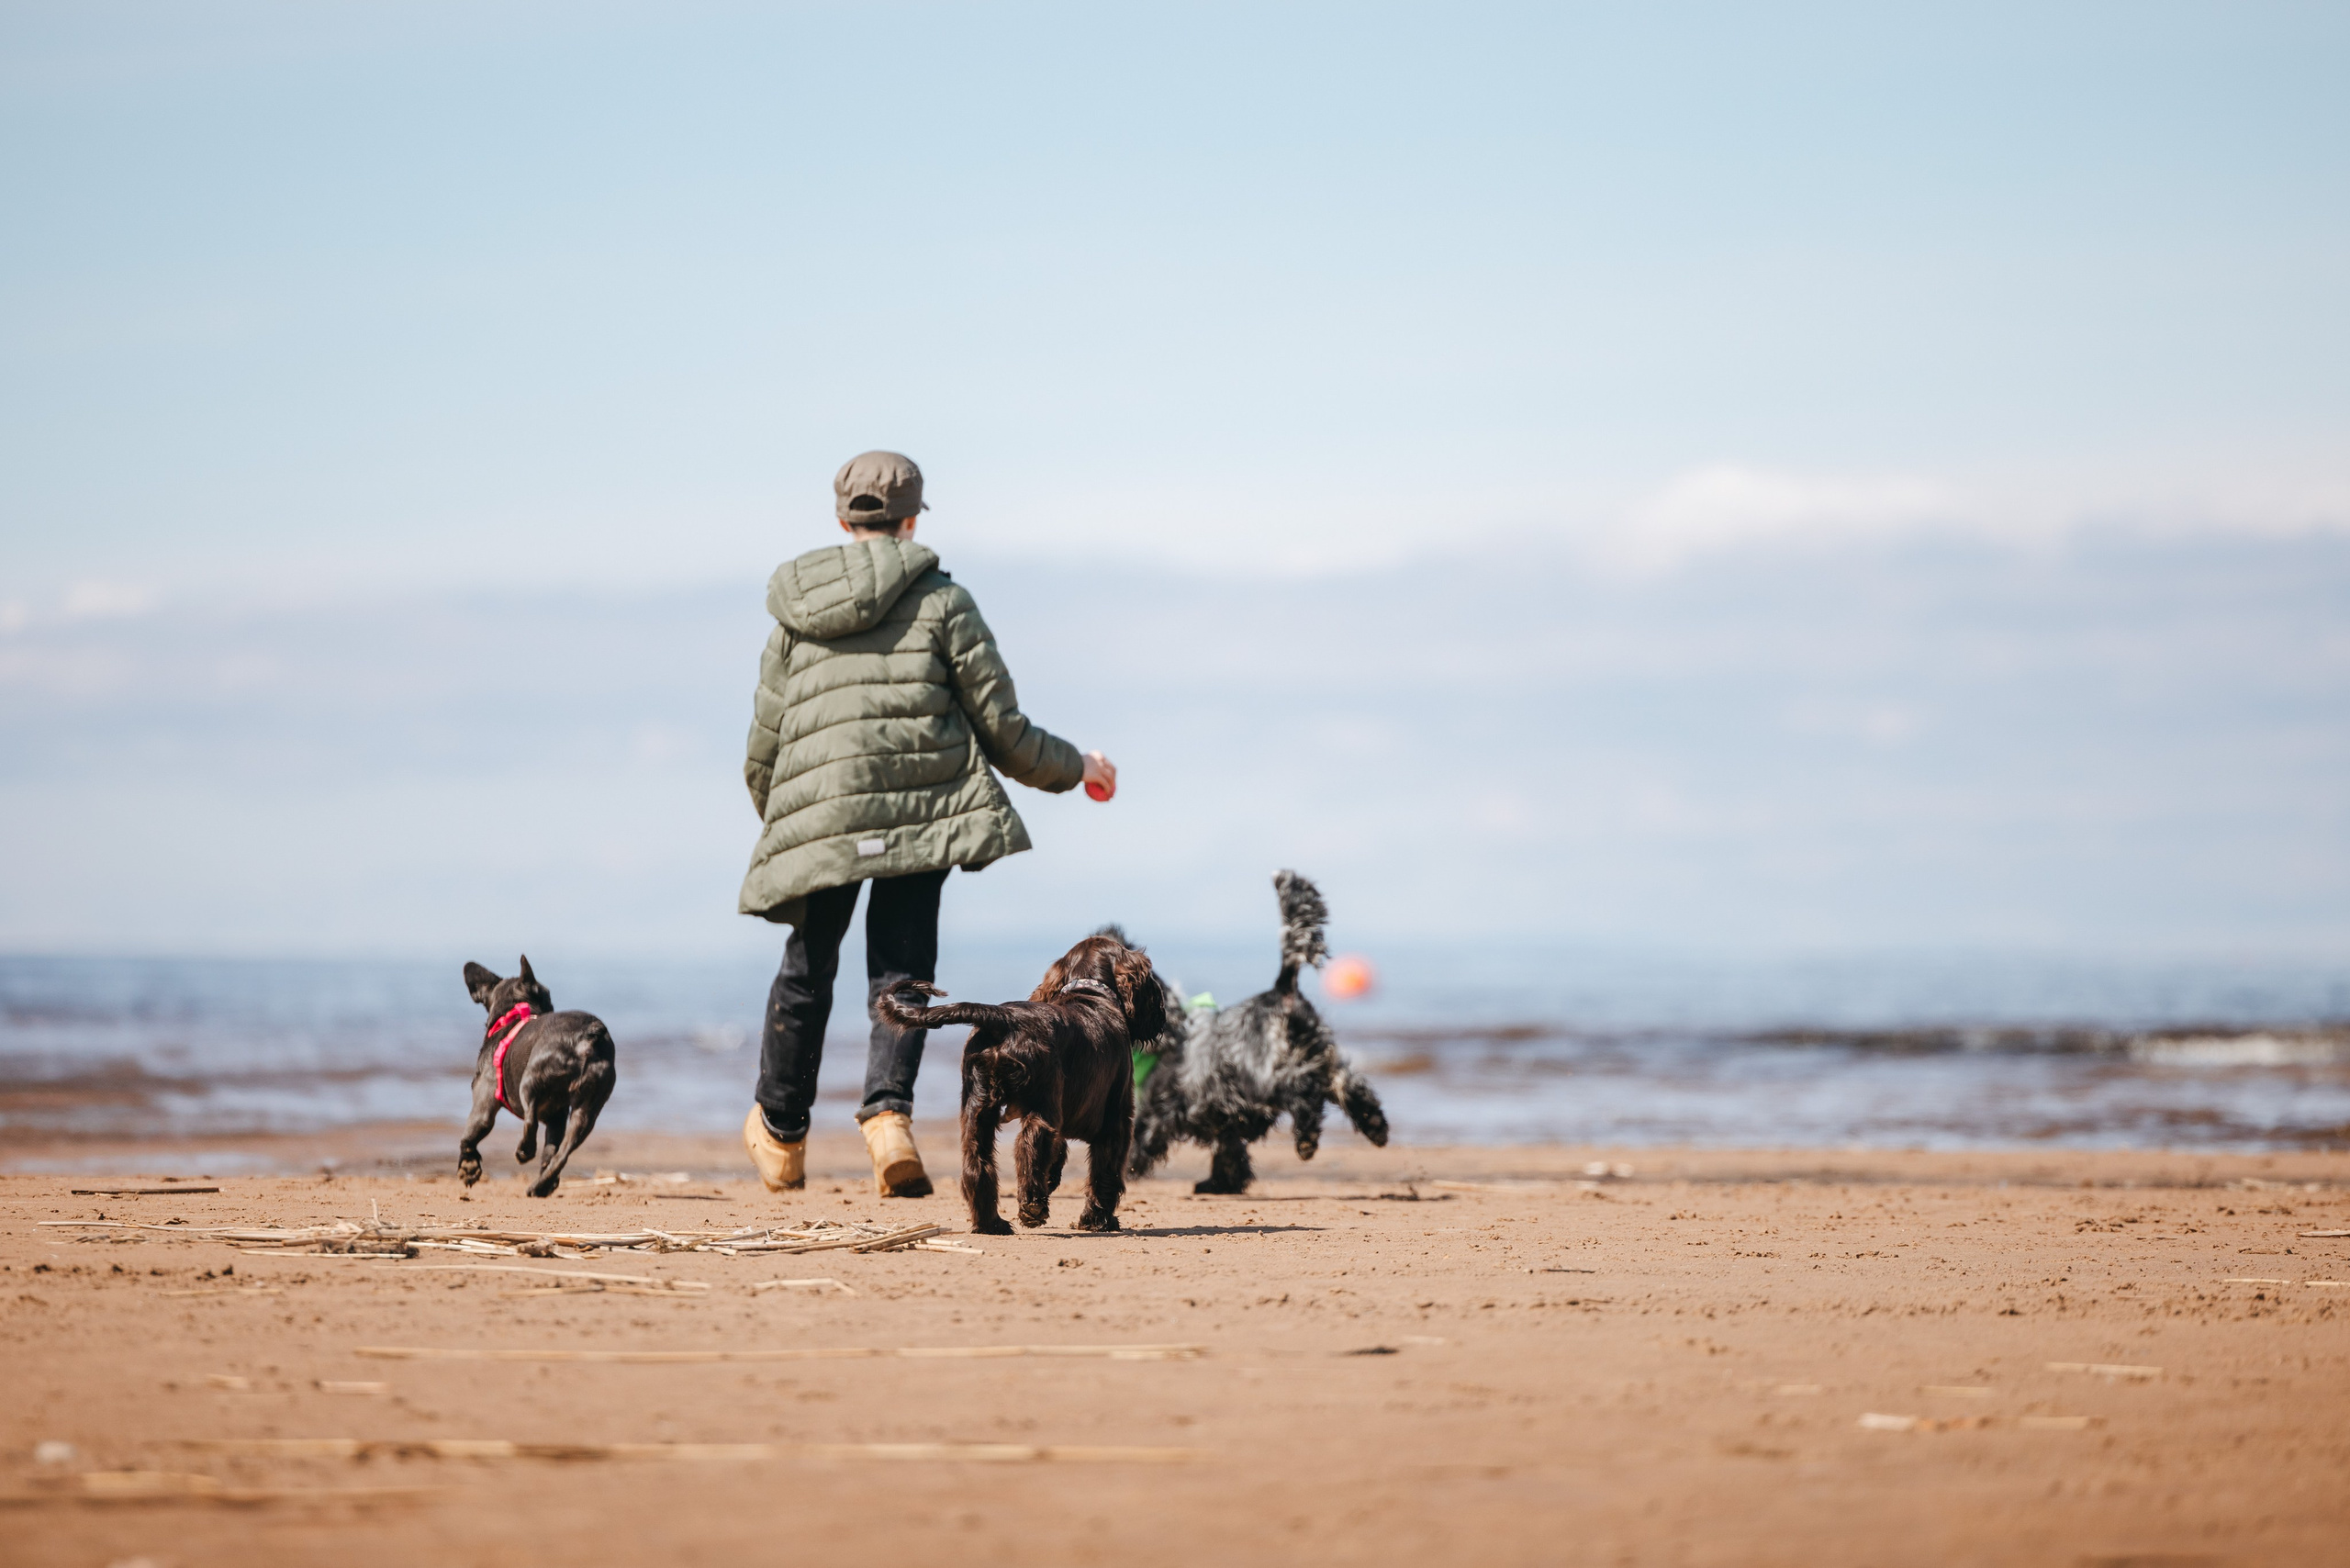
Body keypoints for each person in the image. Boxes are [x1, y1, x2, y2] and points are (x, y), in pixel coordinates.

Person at [737, 451, 1115, 1196]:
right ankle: (888, 1125)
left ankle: (782, 1136)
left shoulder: (793, 615)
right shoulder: (944, 601)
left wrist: (789, 822)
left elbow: (764, 744)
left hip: (822, 814)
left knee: (807, 967)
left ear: (843, 520)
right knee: (902, 970)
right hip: (920, 813)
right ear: (912, 520)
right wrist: (1082, 769)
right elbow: (1004, 732)